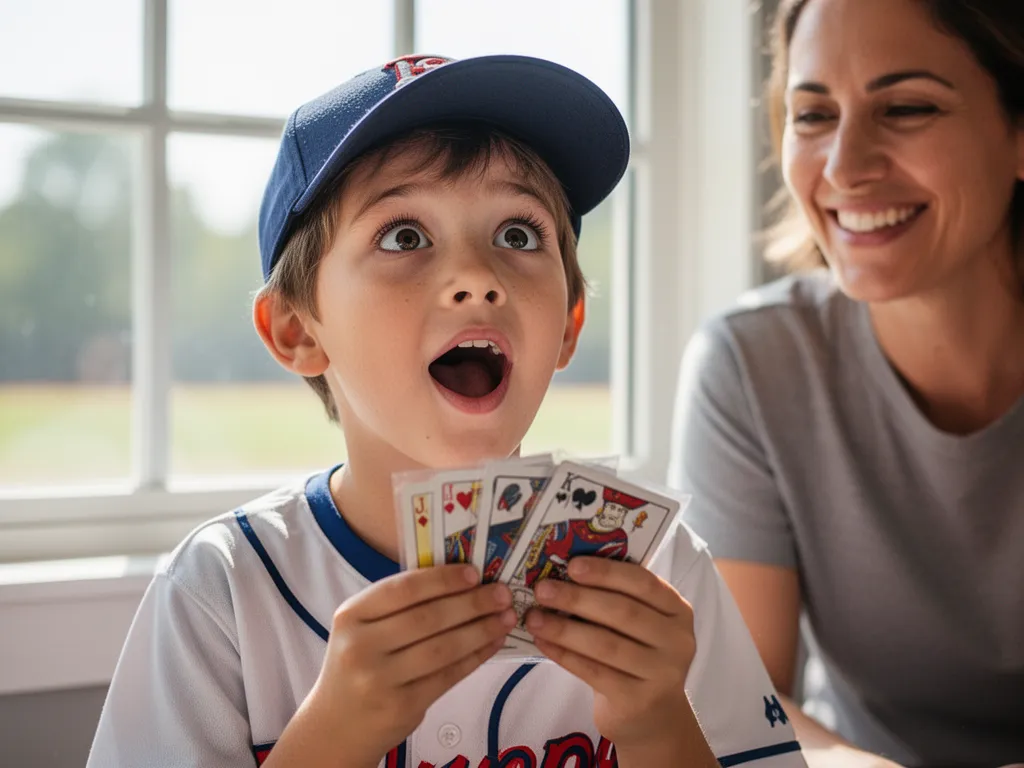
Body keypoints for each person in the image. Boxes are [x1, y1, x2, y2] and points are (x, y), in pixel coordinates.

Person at [86, 54, 806, 768]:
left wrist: (659, 728)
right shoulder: (220, 592)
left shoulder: (660, 572)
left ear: (568, 326)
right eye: (404, 236)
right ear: (298, 331)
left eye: (518, 235)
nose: (476, 278)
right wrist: (332, 738)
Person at [669, 0, 1024, 765]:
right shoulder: (752, 367)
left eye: (906, 108)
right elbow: (745, 698)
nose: (843, 167)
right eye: (812, 114)